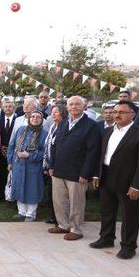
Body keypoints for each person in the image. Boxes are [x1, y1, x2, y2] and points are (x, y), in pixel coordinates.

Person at [90, 101, 139, 259]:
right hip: (106, 176)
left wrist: (137, 186)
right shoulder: (107, 131)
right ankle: (106, 238)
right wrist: (96, 174)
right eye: (115, 112)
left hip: (128, 180)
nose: (117, 115)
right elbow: (101, 155)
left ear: (133, 115)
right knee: (107, 210)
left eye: (122, 112)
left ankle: (128, 246)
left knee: (129, 215)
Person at [48, 96, 101, 240]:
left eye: (78, 104)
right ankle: (63, 225)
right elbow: (55, 145)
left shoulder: (91, 125)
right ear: (67, 107)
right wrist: (51, 165)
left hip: (78, 172)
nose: (74, 107)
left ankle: (75, 229)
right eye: (71, 104)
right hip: (59, 170)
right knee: (59, 200)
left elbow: (93, 152)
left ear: (84, 106)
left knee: (76, 202)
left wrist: (86, 173)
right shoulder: (63, 123)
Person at [7, 111, 48, 221]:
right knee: (19, 187)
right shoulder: (21, 129)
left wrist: (29, 155)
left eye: (38, 117)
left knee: (32, 189)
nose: (35, 119)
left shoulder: (44, 133)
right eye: (33, 117)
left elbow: (45, 152)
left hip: (33, 167)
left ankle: (31, 214)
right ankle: (21, 212)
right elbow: (11, 146)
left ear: (42, 120)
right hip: (18, 165)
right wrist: (10, 162)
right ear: (29, 119)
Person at [43, 104, 68, 224]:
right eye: (52, 112)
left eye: (56, 112)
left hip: (60, 166)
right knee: (52, 193)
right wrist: (48, 165)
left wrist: (52, 166)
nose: (53, 114)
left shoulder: (65, 126)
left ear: (63, 113)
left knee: (62, 195)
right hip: (50, 164)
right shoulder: (53, 126)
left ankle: (62, 219)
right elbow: (48, 146)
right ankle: (54, 216)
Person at [0, 99, 16, 201]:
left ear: (13, 108)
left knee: (12, 174)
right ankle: (0, 195)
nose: (8, 108)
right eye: (6, 106)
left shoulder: (18, 121)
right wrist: (0, 146)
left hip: (14, 152)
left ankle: (12, 195)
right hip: (1, 151)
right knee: (1, 174)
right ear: (3, 108)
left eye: (10, 106)